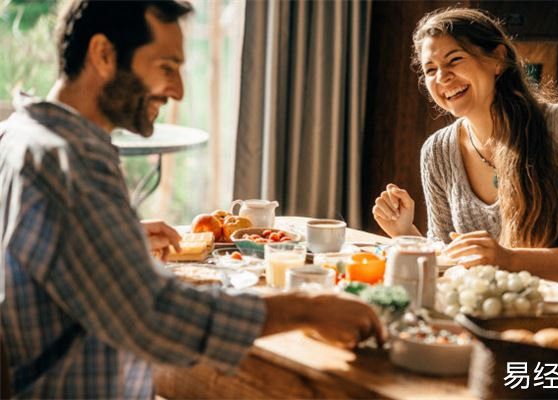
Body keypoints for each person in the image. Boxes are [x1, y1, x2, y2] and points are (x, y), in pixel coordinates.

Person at [0, 1, 383, 398]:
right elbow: (152, 316)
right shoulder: (68, 161)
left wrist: (118, 241)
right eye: (167, 67)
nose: (178, 89)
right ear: (103, 54)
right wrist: (307, 309)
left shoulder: (22, 136)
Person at [372, 7, 558, 283]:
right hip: (482, 312)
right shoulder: (437, 152)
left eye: (454, 60)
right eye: (430, 70)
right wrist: (405, 233)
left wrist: (510, 260)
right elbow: (449, 258)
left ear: (498, 59)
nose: (442, 77)